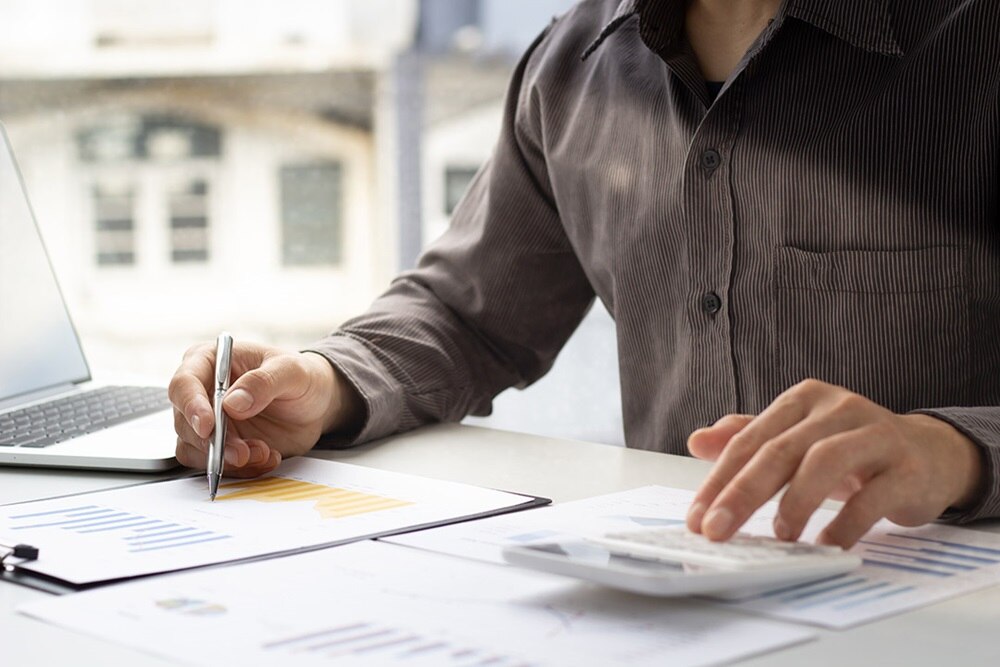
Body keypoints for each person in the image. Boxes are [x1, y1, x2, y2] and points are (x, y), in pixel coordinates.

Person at [169, 0, 1000, 548]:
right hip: (680, 597)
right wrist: (323, 380)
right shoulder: (574, 63)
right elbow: (467, 314)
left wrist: (951, 451)